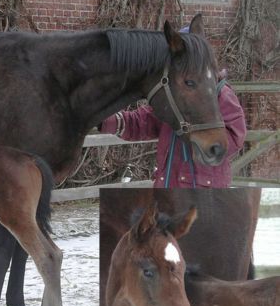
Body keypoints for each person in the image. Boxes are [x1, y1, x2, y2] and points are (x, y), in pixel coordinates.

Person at [99, 29, 246, 188]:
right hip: (168, 183)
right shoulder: (173, 95)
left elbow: (236, 135)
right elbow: (143, 122)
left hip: (203, 187)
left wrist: (204, 140)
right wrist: (102, 120)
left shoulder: (220, 93)